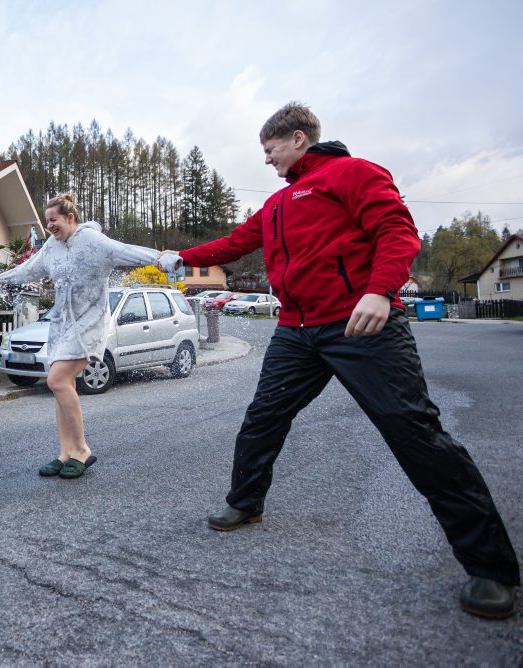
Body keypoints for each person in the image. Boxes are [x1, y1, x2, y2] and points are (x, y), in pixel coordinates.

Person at [173, 103, 519, 619]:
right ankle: (245, 502)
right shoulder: (277, 203)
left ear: (297, 138)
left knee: (413, 431)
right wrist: (181, 257)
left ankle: (491, 568)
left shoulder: (353, 173)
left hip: (362, 324)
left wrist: (380, 290)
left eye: (269, 148)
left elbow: (398, 232)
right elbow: (233, 244)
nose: (266, 159)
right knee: (263, 418)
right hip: (296, 330)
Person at [0, 195, 180, 479]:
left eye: (53, 220)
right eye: (47, 221)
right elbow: (27, 270)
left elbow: (125, 251)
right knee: (62, 385)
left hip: (89, 323)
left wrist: (159, 259)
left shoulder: (93, 241)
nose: (49, 226)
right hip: (60, 324)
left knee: (56, 380)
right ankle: (65, 452)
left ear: (70, 217)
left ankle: (81, 450)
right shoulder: (52, 247)